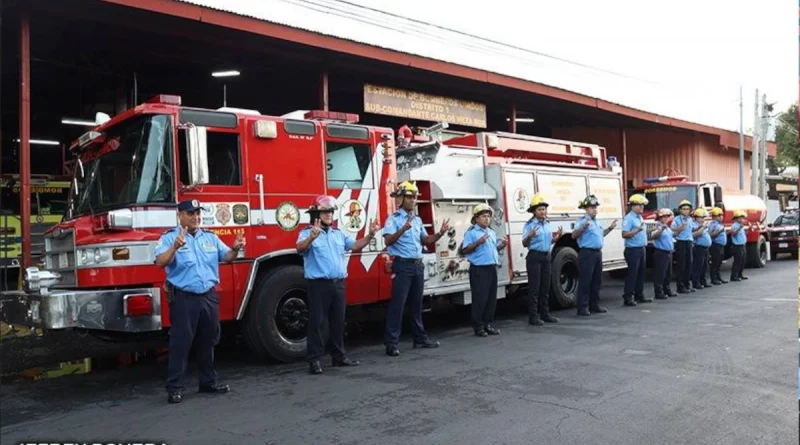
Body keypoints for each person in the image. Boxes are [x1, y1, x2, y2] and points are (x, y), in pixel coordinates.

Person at [154, 199, 244, 404]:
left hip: (208, 296)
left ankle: (208, 382)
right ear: (180, 215)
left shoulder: (210, 237)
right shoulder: (169, 238)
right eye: (190, 213)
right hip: (184, 298)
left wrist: (236, 248)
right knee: (181, 343)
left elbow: (227, 257)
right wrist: (175, 247)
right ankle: (175, 388)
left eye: (197, 213)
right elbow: (160, 262)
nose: (195, 217)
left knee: (208, 339)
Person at [296, 195, 379, 375]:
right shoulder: (306, 232)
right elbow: (299, 248)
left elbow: (356, 245)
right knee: (317, 322)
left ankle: (338, 357)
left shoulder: (338, 233)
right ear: (316, 214)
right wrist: (311, 237)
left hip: (338, 284)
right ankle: (314, 360)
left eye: (331, 212)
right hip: (318, 285)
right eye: (325, 211)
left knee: (338, 321)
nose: (329, 215)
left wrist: (370, 235)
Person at [383, 181, 450, 357]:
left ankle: (419, 339)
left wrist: (440, 234)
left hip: (417, 265)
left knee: (416, 304)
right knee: (397, 305)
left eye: (415, 197)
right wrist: (403, 229)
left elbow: (425, 241)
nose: (413, 200)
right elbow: (388, 241)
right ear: (402, 199)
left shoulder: (418, 220)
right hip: (402, 265)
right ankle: (391, 343)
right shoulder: (393, 219)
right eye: (410, 197)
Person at [460, 204, 507, 336]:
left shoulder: (491, 232)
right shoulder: (471, 233)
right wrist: (477, 242)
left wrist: (501, 246)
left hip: (491, 267)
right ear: (476, 218)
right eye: (483, 216)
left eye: (488, 216)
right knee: (480, 299)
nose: (487, 219)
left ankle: (487, 324)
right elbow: (465, 250)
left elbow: (491, 250)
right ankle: (478, 326)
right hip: (479, 269)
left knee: (491, 299)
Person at [571, 194, 617, 316]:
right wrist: (583, 228)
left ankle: (594, 305)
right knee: (586, 280)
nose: (594, 209)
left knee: (597, 281)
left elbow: (601, 235)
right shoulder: (582, 221)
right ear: (586, 209)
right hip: (587, 253)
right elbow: (574, 235)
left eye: (595, 207)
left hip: (597, 253)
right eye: (592, 207)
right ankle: (582, 307)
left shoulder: (596, 222)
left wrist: (610, 228)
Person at [522, 194, 563, 326]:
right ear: (534, 211)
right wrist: (530, 235)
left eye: (544, 209)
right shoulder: (529, 225)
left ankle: (545, 314)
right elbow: (524, 243)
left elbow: (547, 241)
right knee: (535, 288)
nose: (542, 211)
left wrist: (556, 239)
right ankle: (533, 316)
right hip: (534, 257)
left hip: (546, 256)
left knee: (545, 287)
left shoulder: (547, 223)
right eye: (540, 209)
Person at [621, 194, 651, 306]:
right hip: (632, 250)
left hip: (641, 248)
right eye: (640, 205)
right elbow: (624, 234)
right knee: (632, 274)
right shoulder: (629, 218)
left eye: (643, 205)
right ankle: (628, 296)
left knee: (641, 273)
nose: (642, 207)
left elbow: (640, 232)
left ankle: (639, 295)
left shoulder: (639, 217)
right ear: (634, 206)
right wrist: (637, 231)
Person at [651, 208, 680, 300]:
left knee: (668, 273)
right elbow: (654, 236)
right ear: (660, 217)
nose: (666, 218)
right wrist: (661, 229)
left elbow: (673, 235)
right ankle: (658, 292)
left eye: (667, 216)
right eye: (665, 216)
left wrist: (680, 229)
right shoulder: (657, 226)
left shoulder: (667, 227)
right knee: (660, 273)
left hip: (668, 252)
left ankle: (667, 289)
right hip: (661, 252)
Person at [672, 199, 695, 293]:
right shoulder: (677, 219)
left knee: (689, 264)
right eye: (684, 209)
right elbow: (673, 231)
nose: (686, 210)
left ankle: (687, 285)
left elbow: (691, 230)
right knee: (681, 265)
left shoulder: (690, 219)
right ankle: (680, 286)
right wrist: (680, 228)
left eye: (688, 209)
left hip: (689, 242)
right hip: (681, 242)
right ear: (680, 210)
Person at [691, 208, 712, 289]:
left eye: (704, 217)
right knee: (698, 266)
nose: (703, 219)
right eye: (701, 217)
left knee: (704, 266)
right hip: (699, 247)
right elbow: (696, 234)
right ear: (696, 217)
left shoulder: (702, 224)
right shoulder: (694, 225)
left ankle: (703, 281)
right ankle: (696, 282)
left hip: (705, 248)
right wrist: (703, 227)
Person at [708, 207, 728, 285]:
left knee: (719, 262)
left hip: (721, 246)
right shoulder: (713, 224)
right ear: (714, 216)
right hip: (716, 245)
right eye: (719, 215)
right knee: (715, 262)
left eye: (722, 215)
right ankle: (714, 279)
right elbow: (711, 234)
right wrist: (719, 231)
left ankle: (718, 277)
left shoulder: (719, 224)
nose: (721, 217)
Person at [729, 210, 748, 282]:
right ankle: (734, 276)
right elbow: (733, 233)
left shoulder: (741, 225)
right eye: (740, 218)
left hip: (742, 244)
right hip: (737, 246)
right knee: (737, 261)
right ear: (736, 218)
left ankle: (740, 274)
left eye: (742, 218)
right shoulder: (735, 225)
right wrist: (739, 228)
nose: (742, 219)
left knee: (743, 260)